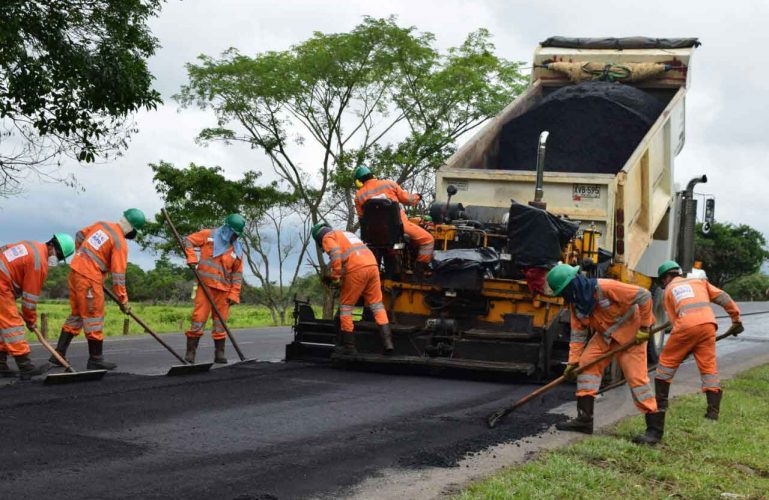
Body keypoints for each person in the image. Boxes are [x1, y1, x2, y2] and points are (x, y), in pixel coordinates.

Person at [546, 264, 658, 441]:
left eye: (563, 291)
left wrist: (644, 327)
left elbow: (644, 296)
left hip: (631, 336)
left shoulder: (605, 287)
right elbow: (577, 337)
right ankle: (584, 420)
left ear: (572, 285)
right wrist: (573, 363)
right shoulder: (577, 306)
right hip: (605, 337)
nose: (563, 296)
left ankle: (654, 429)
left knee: (637, 380)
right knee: (585, 367)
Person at [636, 261, 743, 443]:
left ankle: (661, 405)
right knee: (708, 367)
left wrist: (684, 347)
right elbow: (723, 297)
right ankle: (712, 412)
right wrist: (735, 318)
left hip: (686, 326)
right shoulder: (699, 283)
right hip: (709, 325)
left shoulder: (668, 291)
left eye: (662, 281)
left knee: (665, 367)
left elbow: (675, 321)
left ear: (665, 278)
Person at [50, 209, 146, 370]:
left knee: (77, 315)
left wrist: (83, 257)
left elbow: (80, 235)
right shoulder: (119, 242)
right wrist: (124, 301)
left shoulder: (101, 225)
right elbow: (118, 276)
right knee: (94, 316)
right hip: (88, 278)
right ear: (131, 228)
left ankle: (57, 355)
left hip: (75, 271)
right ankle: (95, 359)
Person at [0, 234, 75, 379]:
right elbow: (29, 301)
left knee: (3, 326)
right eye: (59, 257)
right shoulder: (38, 262)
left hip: (4, 285)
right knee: (13, 325)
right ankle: (25, 366)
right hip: (2, 286)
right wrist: (31, 321)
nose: (57, 260)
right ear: (53, 248)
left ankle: (1, 364)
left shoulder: (31, 245)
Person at [311, 222, 393, 355]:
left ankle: (349, 347)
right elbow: (351, 257)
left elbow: (336, 254)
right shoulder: (347, 234)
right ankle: (388, 343)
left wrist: (336, 276)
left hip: (357, 270)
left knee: (346, 309)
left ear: (319, 238)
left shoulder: (328, 237)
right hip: (372, 266)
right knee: (377, 306)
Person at [182, 214, 246, 364]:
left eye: (238, 235)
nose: (235, 237)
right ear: (227, 229)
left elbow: (237, 273)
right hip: (205, 287)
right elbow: (188, 241)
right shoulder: (208, 235)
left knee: (220, 323)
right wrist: (191, 258)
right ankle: (191, 352)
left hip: (224, 291)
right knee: (198, 319)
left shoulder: (237, 249)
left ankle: (219, 353)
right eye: (234, 233)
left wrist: (234, 294)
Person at [352, 165, 434, 274]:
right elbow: (408, 200)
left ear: (359, 181)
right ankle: (419, 270)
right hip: (400, 228)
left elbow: (362, 218)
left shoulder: (358, 196)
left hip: (374, 235)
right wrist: (417, 197)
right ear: (372, 175)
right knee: (428, 240)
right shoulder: (388, 184)